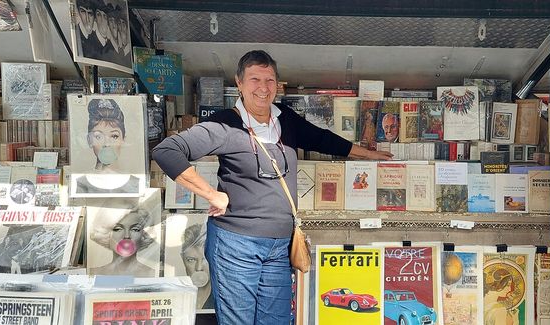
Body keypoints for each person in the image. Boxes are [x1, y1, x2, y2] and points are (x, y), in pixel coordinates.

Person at [152, 50, 391, 324]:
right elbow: (167, 151)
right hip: (235, 245)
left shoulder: (284, 119)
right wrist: (210, 194)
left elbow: (323, 140)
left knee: (276, 320)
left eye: (270, 80)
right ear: (239, 83)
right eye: (255, 79)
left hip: (280, 246)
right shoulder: (224, 124)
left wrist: (371, 154)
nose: (263, 88)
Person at [75, 98, 140, 194]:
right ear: (89, 140)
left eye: (114, 136)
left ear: (123, 140)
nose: (107, 144)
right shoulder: (81, 184)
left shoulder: (135, 184)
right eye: (98, 136)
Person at [89, 208, 157, 276]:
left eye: (135, 229)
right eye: (118, 229)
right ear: (106, 233)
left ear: (143, 234)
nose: (127, 236)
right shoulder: (93, 273)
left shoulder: (152, 274)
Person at [181, 223, 213, 309]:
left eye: (205, 259)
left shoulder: (223, 299)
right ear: (182, 259)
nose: (198, 268)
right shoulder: (177, 299)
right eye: (191, 260)